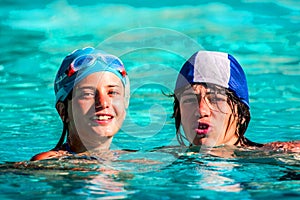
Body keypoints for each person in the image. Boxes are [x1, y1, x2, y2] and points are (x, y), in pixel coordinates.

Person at [172, 50, 300, 152]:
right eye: (190, 100)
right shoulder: (164, 160)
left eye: (216, 99)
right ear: (178, 112)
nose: (201, 110)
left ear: (241, 114)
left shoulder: (281, 154)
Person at [31, 47, 130, 161]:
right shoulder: (48, 163)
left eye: (112, 92)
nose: (103, 103)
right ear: (63, 111)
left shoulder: (133, 160)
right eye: (87, 94)